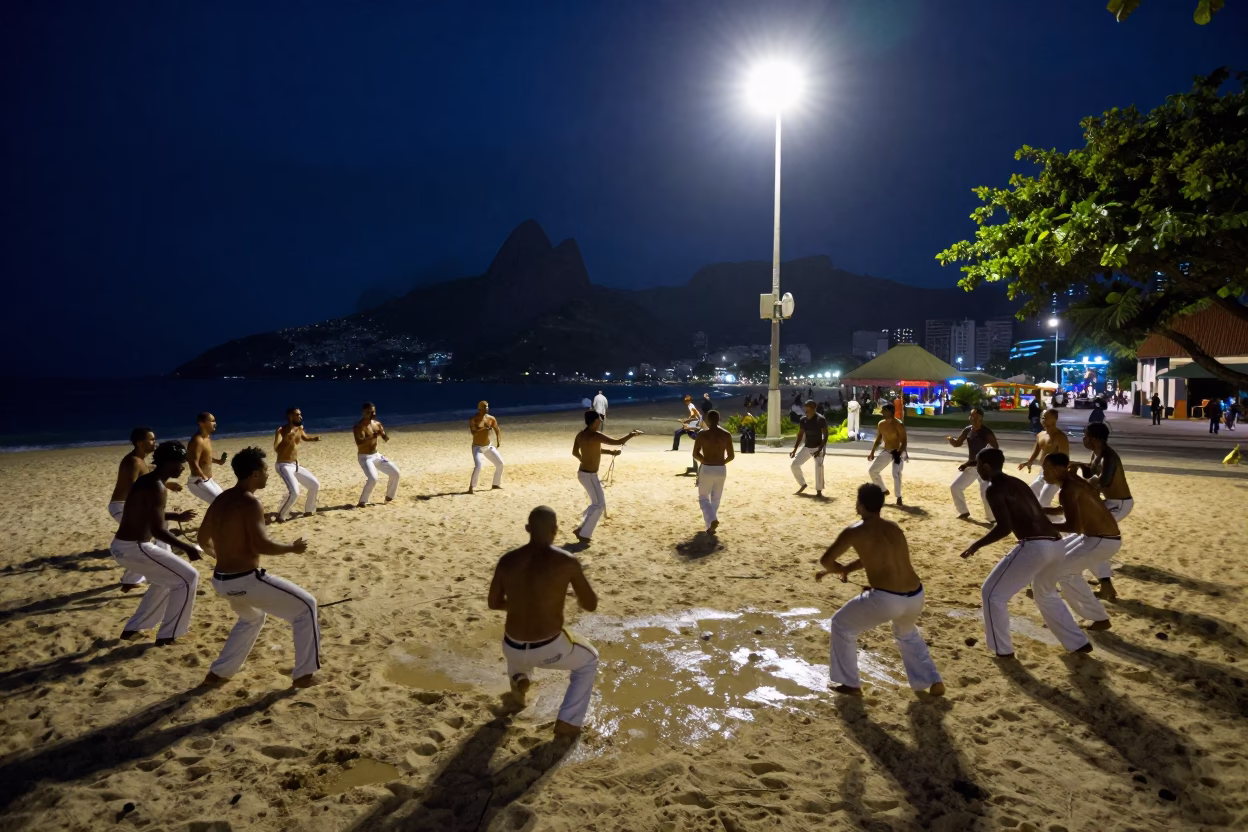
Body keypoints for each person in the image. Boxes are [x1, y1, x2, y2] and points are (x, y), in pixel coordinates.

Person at [199, 446, 320, 689]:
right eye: (265, 471)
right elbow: (260, 544)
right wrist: (291, 548)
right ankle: (305, 676)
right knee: (307, 606)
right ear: (254, 474)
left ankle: (218, 674)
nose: (267, 475)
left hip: (221, 581)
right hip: (246, 581)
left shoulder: (221, 499)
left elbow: (202, 540)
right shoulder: (250, 502)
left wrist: (222, 555)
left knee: (252, 618)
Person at [958, 448, 1091, 658]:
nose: (976, 469)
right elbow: (1035, 511)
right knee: (1046, 595)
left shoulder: (994, 489)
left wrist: (977, 545)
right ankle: (1078, 643)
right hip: (1057, 544)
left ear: (986, 467)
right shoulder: (1018, 483)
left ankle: (1003, 651)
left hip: (1036, 546)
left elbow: (1004, 527)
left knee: (992, 594)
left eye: (978, 465)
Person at [816, 483, 945, 697]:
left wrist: (835, 569)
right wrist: (846, 569)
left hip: (887, 599)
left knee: (841, 624)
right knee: (907, 634)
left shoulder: (855, 530)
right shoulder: (893, 527)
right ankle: (932, 680)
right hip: (915, 596)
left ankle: (850, 684)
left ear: (860, 504)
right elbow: (876, 557)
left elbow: (826, 560)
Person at [487, 506, 600, 737]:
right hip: (549, 648)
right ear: (555, 531)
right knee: (589, 661)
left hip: (512, 648)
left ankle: (520, 680)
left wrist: (521, 604)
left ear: (528, 529)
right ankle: (568, 721)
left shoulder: (507, 560)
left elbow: (494, 603)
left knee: (518, 651)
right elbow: (590, 604)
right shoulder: (566, 561)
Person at [109, 441, 203, 644]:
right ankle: (170, 635)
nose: (182, 467)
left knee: (166, 581)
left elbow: (146, 514)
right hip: (135, 548)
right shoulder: (157, 486)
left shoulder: (149, 482)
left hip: (123, 547)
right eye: (180, 463)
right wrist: (188, 548)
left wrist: (176, 517)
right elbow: (158, 530)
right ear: (169, 462)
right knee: (189, 577)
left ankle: (135, 629)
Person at [1040, 453, 1114, 632]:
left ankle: (1099, 618)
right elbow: (1062, 511)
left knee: (1064, 571)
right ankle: (1065, 613)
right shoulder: (1070, 483)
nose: (1043, 474)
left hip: (1103, 539)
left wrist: (1042, 524)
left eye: (1046, 469)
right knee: (1055, 563)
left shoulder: (1068, 489)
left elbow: (1074, 526)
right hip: (1095, 537)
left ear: (1057, 470)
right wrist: (1038, 511)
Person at [109, 426, 181, 591]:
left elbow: (147, 481)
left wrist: (168, 484)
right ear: (140, 443)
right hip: (122, 506)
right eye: (151, 439)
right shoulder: (134, 461)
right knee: (147, 538)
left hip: (128, 506)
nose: (155, 442)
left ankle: (131, 579)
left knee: (154, 533)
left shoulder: (141, 460)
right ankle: (166, 568)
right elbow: (134, 487)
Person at [1078, 422, 1133, 599]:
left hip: (1120, 504)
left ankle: (1103, 581)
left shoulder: (1108, 457)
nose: (1083, 439)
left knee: (1094, 538)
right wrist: (1079, 466)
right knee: (1093, 538)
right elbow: (1090, 474)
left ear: (1095, 439)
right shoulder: (1096, 454)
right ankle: (1105, 582)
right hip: (1110, 502)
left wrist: (1081, 483)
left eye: (1086, 435)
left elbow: (1104, 481)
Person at [570, 411, 642, 543]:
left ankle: (581, 529)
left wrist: (586, 459)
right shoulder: (595, 435)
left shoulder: (581, 435)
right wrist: (631, 435)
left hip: (584, 474)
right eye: (599, 420)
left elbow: (576, 452)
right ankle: (583, 533)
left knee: (597, 504)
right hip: (589, 475)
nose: (600, 422)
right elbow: (617, 441)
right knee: (599, 504)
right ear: (594, 421)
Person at [946, 407, 998, 522]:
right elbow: (958, 443)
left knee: (985, 493)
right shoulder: (967, 430)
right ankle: (963, 512)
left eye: (975, 416)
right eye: (971, 415)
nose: (972, 418)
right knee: (955, 487)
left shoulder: (986, 432)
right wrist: (951, 440)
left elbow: (996, 448)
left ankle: (991, 518)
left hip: (984, 468)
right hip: (972, 466)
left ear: (981, 418)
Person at [273, 407, 321, 522]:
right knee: (294, 492)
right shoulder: (281, 430)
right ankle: (281, 516)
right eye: (297, 415)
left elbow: (305, 438)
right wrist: (286, 437)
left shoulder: (299, 428)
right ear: (290, 416)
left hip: (295, 465)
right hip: (283, 465)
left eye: (300, 415)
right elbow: (276, 448)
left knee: (315, 484)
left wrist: (314, 439)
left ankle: (309, 510)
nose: (300, 417)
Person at [693, 410, 734, 534]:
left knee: (703, 497)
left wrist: (704, 460)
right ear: (719, 419)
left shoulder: (702, 435)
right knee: (716, 499)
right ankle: (710, 525)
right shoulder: (726, 435)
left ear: (708, 420)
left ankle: (712, 520)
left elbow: (695, 453)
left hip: (707, 467)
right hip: (721, 468)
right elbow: (731, 456)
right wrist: (721, 462)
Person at [1018, 409, 1068, 507]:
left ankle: (1057, 521)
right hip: (1043, 473)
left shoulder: (1060, 437)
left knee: (1043, 502)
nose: (1043, 419)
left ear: (1055, 419)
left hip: (1055, 475)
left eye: (1046, 417)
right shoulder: (1040, 435)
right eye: (1042, 417)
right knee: (1030, 494)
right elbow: (1036, 451)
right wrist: (1029, 462)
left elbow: (1065, 458)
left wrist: (1061, 480)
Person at [354, 402, 400, 506]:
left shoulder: (377, 424)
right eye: (369, 412)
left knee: (395, 472)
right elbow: (360, 442)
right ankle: (363, 501)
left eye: (373, 411)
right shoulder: (358, 427)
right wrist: (373, 436)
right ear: (363, 413)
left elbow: (385, 438)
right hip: (365, 457)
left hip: (377, 455)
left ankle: (389, 496)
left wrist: (383, 434)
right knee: (373, 478)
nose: (372, 414)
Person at [867, 404, 908, 505]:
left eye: (885, 411)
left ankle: (898, 497)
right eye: (883, 412)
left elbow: (904, 441)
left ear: (891, 412)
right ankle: (883, 490)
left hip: (899, 450)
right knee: (872, 471)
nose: (883, 413)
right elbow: (878, 438)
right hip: (887, 450)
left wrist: (899, 453)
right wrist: (872, 452)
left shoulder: (899, 424)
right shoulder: (881, 424)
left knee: (896, 474)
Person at [187, 412, 228, 504]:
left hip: (208, 480)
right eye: (212, 421)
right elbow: (193, 462)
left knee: (224, 501)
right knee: (221, 503)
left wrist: (219, 461)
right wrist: (203, 477)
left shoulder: (207, 438)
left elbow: (205, 459)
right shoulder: (197, 440)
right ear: (202, 423)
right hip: (198, 481)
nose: (215, 423)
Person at [789, 400, 828, 497]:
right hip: (807, 446)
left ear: (814, 409)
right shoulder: (803, 420)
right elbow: (800, 435)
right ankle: (803, 484)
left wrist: (820, 449)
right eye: (805, 411)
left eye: (808, 410)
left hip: (818, 447)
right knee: (794, 465)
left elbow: (826, 435)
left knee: (819, 467)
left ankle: (819, 491)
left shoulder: (820, 419)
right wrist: (794, 450)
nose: (807, 413)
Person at [468, 400, 504, 493]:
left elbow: (497, 429)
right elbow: (473, 432)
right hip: (477, 447)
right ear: (479, 409)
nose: (485, 410)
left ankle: (496, 484)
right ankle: (471, 487)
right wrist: (483, 427)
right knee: (478, 465)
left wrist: (498, 439)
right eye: (484, 408)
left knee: (500, 463)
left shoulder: (491, 419)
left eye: (487, 408)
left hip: (488, 446)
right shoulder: (474, 419)